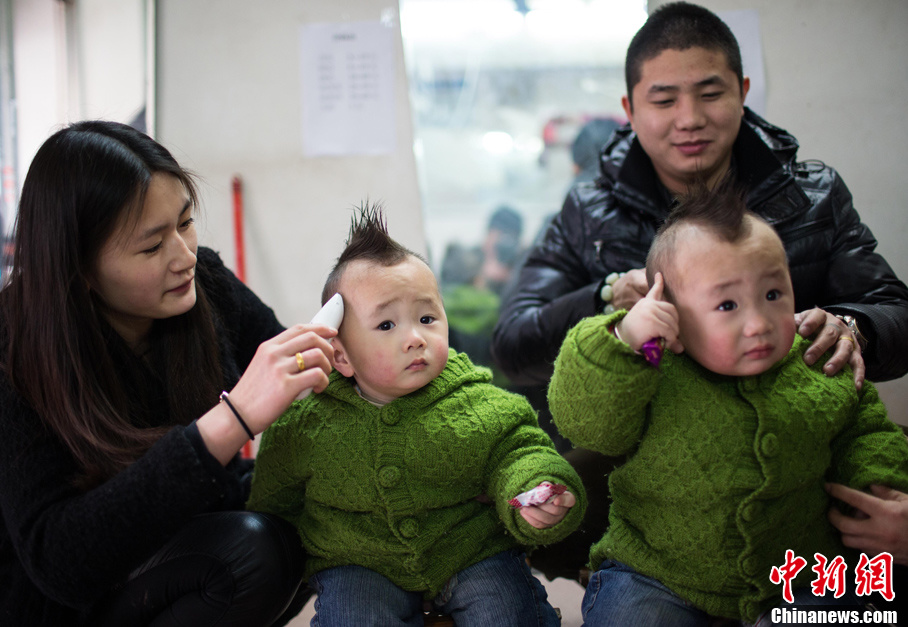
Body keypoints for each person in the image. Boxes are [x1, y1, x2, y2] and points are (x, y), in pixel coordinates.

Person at [492, 0, 908, 580]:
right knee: (556, 492)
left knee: (881, 515)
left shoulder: (811, 195)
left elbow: (896, 311)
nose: (689, 118)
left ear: (741, 89)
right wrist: (605, 301)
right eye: (664, 100)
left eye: (710, 93)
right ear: (630, 109)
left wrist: (853, 327)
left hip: (794, 443)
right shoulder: (590, 209)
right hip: (656, 452)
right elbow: (511, 345)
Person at [0, 120, 337, 626]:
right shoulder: (22, 342)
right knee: (249, 553)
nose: (184, 256)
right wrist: (234, 418)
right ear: (79, 269)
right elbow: (59, 562)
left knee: (319, 513)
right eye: (150, 246)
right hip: (65, 600)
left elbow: (300, 367)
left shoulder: (203, 281)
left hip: (182, 538)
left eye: (185, 222)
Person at [547, 184, 908, 625]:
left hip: (801, 571)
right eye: (727, 304)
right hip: (658, 571)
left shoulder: (817, 361)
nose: (757, 323)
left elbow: (864, 432)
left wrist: (877, 483)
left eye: (774, 294)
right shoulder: (652, 367)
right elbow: (587, 424)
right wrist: (622, 341)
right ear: (669, 311)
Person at [247, 204, 585, 626]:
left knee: (508, 612)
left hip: (471, 550)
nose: (414, 339)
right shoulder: (305, 424)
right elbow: (274, 501)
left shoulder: (476, 402)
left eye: (427, 318)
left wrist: (535, 487)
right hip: (360, 563)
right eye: (386, 325)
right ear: (341, 356)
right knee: (353, 618)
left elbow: (519, 451)